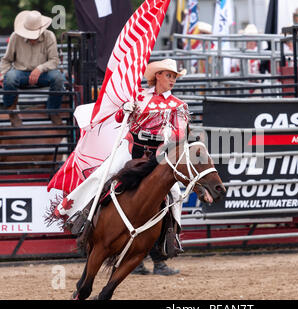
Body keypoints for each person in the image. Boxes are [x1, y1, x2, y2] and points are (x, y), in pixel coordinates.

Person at [51, 58, 188, 274]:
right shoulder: (139, 97)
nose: (172, 80)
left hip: (159, 155)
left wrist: (166, 138)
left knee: (174, 193)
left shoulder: (178, 105)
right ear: (158, 76)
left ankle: (171, 240)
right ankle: (79, 213)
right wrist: (125, 109)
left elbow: (180, 133)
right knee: (105, 174)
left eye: (174, 77)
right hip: (131, 147)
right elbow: (118, 118)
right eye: (169, 75)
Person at [0, 10, 65, 126]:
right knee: (9, 78)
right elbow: (6, 60)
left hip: (43, 75)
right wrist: (2, 74)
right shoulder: (15, 37)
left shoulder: (49, 36)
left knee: (59, 78)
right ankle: (11, 110)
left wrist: (40, 68)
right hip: (21, 73)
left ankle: (53, 111)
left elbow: (54, 61)